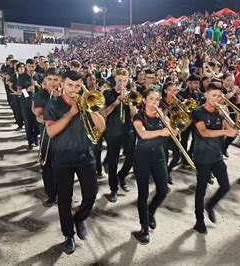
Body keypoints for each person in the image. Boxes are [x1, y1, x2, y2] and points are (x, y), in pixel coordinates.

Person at [43, 70, 106, 254]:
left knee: (91, 194)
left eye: (78, 86)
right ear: (62, 83)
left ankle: (79, 218)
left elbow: (101, 127)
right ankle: (68, 234)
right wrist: (71, 113)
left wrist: (90, 109)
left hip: (85, 156)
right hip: (62, 159)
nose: (74, 89)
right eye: (70, 85)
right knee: (64, 199)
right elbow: (51, 131)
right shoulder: (53, 104)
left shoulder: (87, 102)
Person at [191, 81, 237, 234]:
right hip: (202, 156)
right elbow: (204, 132)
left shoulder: (221, 111)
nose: (217, 99)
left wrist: (227, 117)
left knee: (225, 186)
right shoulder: (197, 112)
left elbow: (230, 130)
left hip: (216, 155)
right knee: (201, 189)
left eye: (219, 96)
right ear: (206, 95)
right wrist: (225, 133)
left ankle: (210, 205)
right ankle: (199, 220)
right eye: (214, 95)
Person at [131, 88, 171, 244]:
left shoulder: (162, 115)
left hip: (159, 155)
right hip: (142, 157)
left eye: (157, 99)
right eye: (151, 99)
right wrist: (161, 131)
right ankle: (144, 227)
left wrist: (165, 120)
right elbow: (143, 134)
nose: (155, 102)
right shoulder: (138, 116)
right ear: (144, 101)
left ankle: (151, 211)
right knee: (143, 193)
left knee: (163, 190)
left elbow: (173, 130)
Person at [100, 69, 135, 203]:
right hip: (112, 132)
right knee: (112, 162)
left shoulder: (131, 94)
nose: (122, 83)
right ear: (115, 79)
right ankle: (113, 189)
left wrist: (128, 102)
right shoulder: (107, 93)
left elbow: (134, 113)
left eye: (125, 80)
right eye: (119, 80)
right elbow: (103, 114)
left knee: (131, 158)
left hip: (128, 131)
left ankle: (122, 176)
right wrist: (116, 102)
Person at [32, 68, 61, 207]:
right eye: (50, 79)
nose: (53, 83)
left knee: (63, 166)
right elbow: (39, 116)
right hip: (47, 135)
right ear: (45, 80)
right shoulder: (40, 95)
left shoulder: (66, 94)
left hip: (65, 136)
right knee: (47, 165)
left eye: (56, 79)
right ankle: (51, 194)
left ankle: (63, 193)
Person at [16, 59, 43, 150]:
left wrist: (38, 85)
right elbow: (19, 91)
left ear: (35, 66)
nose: (31, 68)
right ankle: (30, 141)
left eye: (32, 66)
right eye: (29, 66)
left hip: (38, 104)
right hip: (26, 103)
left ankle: (35, 138)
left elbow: (44, 89)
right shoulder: (22, 77)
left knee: (37, 124)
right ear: (26, 66)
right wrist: (27, 90)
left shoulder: (40, 76)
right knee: (28, 123)